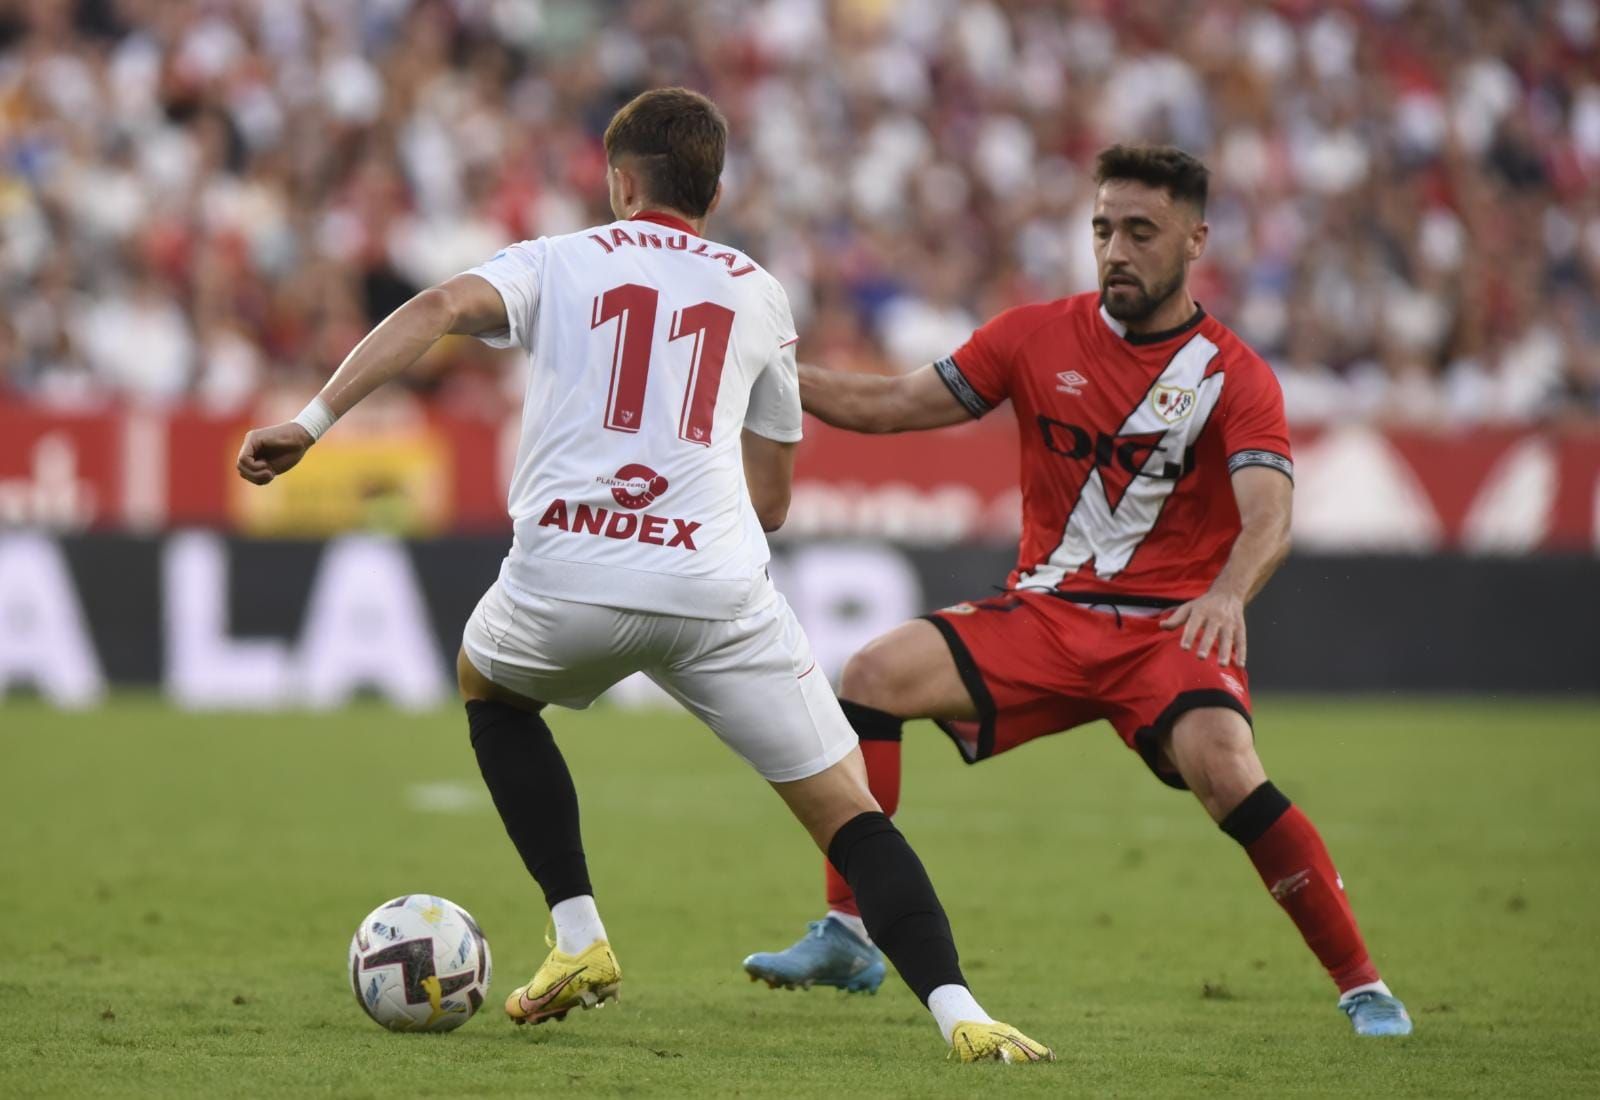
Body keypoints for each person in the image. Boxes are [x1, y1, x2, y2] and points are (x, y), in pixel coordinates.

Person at [235, 87, 1050, 1063]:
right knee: (850, 815)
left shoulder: (556, 260)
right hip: (715, 591)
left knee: (491, 690)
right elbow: (774, 502)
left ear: (621, 182)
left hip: (565, 576)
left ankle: (578, 934)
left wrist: (312, 421)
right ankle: (964, 1014)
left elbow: (439, 308)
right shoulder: (758, 291)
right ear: (714, 192)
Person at [742, 144, 1413, 1038]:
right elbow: (894, 404)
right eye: (1103, 230)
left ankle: (1363, 985)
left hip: (1167, 630)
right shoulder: (1033, 336)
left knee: (1226, 767)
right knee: (870, 675)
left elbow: (1270, 516)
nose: (1115, 251)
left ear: (1195, 240)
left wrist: (1226, 594)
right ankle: (850, 931)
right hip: (1047, 615)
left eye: (1141, 231)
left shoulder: (1233, 374)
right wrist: (765, 376)